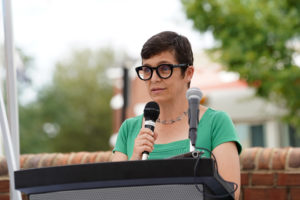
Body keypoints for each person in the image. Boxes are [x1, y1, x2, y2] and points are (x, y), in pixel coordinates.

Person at [112, 31, 242, 199]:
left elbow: (232, 193)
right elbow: (113, 193)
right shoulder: (129, 129)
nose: (154, 78)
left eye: (164, 68)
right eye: (147, 70)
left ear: (188, 73)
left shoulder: (216, 123)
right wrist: (135, 160)